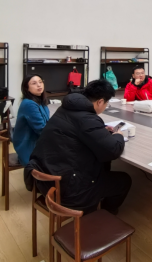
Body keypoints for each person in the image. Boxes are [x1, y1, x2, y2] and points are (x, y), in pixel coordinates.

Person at [24, 79, 131, 215]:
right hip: (70, 190)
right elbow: (113, 150)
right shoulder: (87, 118)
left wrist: (100, 130)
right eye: (106, 103)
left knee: (102, 162)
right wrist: (118, 135)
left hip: (47, 178)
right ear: (100, 102)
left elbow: (76, 130)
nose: (106, 106)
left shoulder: (65, 108)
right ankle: (105, 214)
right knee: (124, 180)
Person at [13, 75, 50, 166]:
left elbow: (47, 123)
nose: (39, 85)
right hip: (28, 144)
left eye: (40, 82)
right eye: (34, 83)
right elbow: (41, 129)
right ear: (27, 88)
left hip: (37, 140)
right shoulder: (29, 104)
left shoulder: (41, 100)